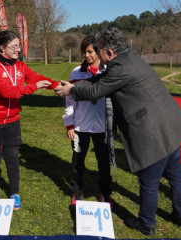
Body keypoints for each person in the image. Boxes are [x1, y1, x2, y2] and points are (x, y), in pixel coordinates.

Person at [54, 28, 181, 236]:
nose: (97, 55)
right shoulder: (129, 57)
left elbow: (96, 90)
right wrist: (75, 84)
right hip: (170, 124)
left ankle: (146, 223)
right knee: (175, 175)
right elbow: (101, 81)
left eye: (99, 50)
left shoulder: (120, 68)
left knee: (149, 180)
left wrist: (71, 90)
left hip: (152, 130)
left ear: (109, 52)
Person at [0, 30, 58, 210]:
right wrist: (32, 87)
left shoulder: (21, 66)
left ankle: (14, 193)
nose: (18, 50)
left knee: (12, 157)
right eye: (14, 46)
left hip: (12, 118)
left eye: (19, 46)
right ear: (2, 48)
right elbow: (6, 91)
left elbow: (37, 78)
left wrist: (56, 85)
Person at [63, 35, 112, 207]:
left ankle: (105, 193)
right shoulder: (76, 72)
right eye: (84, 52)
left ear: (99, 51)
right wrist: (70, 124)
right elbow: (69, 100)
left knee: (103, 162)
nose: (87, 55)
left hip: (102, 126)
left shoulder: (108, 71)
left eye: (90, 51)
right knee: (78, 161)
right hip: (80, 125)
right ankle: (76, 190)